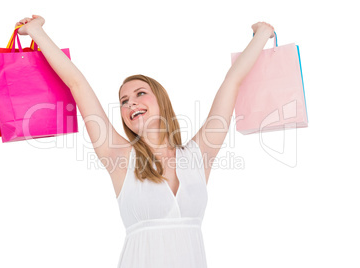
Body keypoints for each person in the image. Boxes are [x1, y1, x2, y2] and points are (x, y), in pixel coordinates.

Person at [15, 15, 275, 268]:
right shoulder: (119, 156)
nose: (131, 103)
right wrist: (38, 32)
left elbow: (232, 83)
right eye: (124, 101)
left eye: (140, 93)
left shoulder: (198, 155)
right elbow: (77, 84)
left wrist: (262, 33)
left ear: (161, 101)